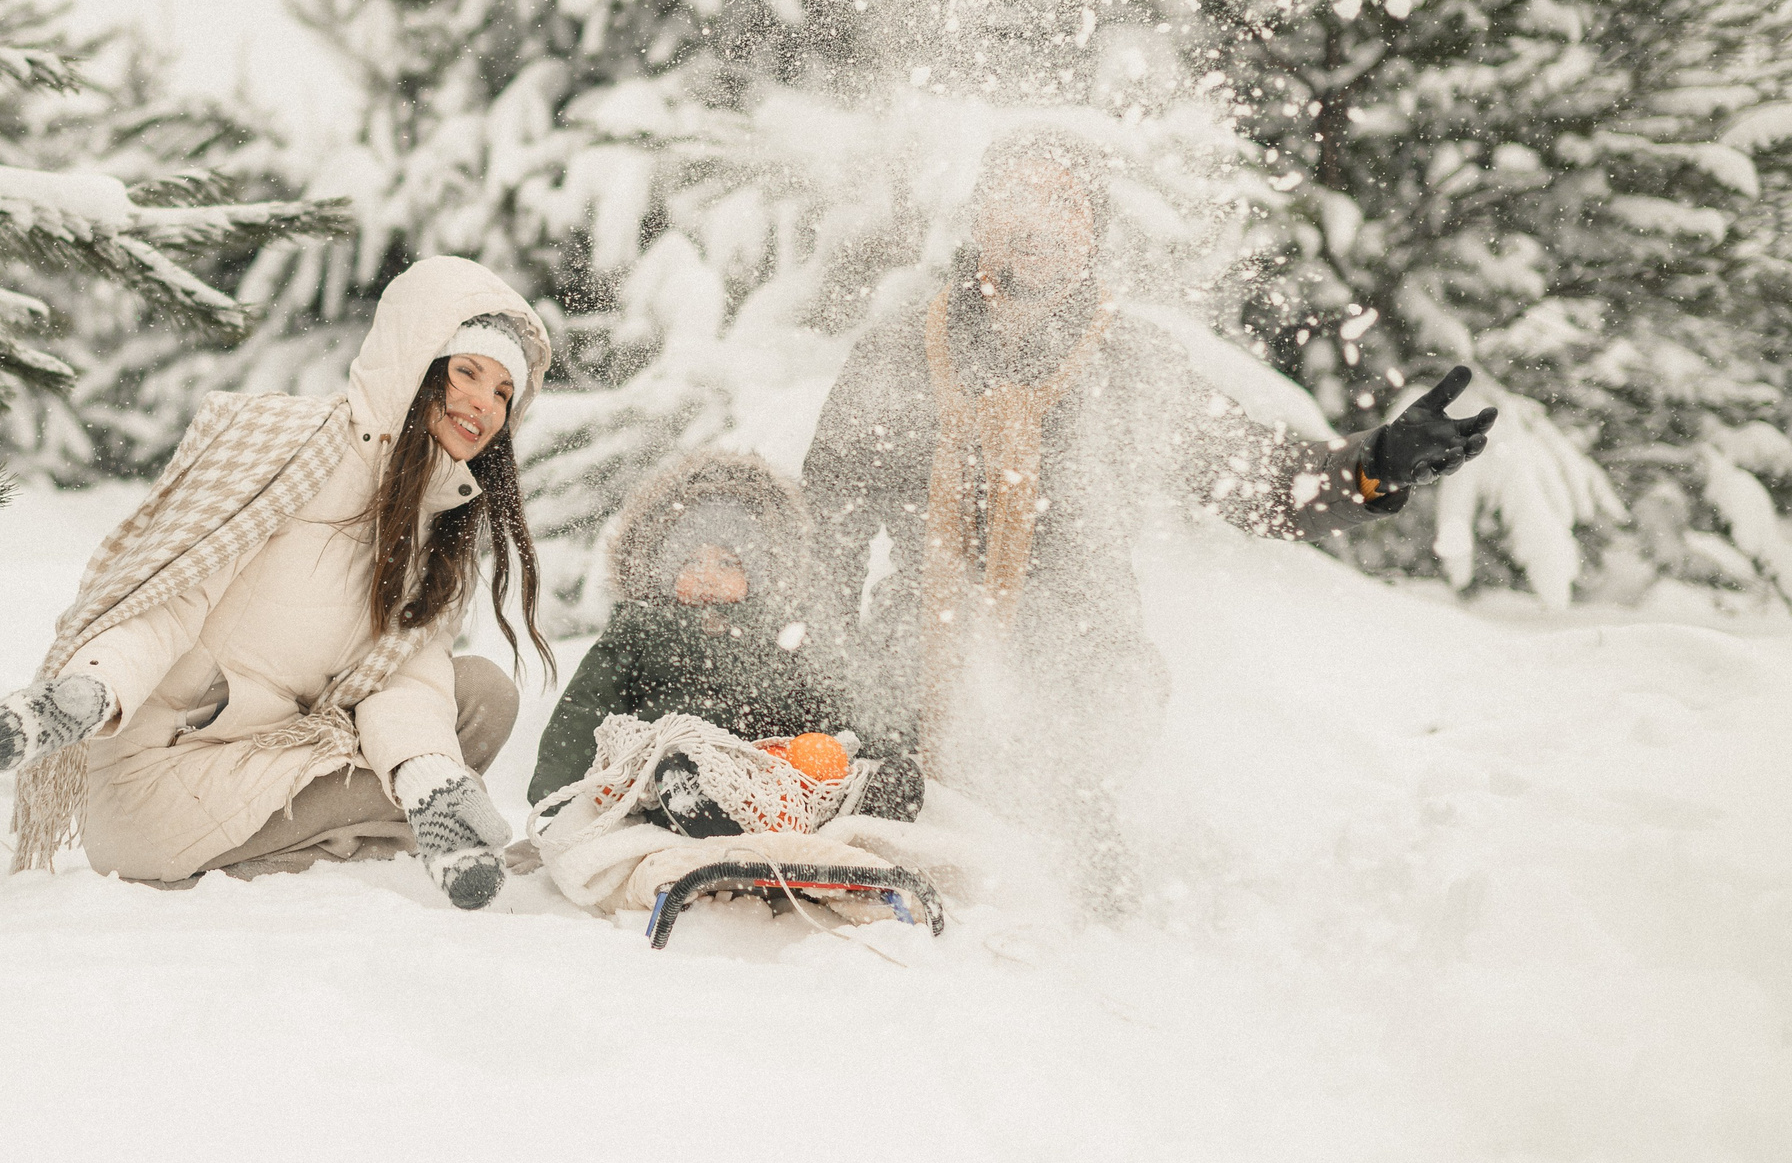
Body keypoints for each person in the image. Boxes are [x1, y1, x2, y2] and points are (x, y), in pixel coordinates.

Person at [803, 128, 1493, 908]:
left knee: (1063, 900)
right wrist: (834, 693)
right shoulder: (899, 353)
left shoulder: (1130, 366)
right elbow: (827, 537)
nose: (1037, 220)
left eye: (1063, 202)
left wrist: (1377, 464)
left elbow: (1261, 478)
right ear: (979, 220)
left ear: (1090, 234)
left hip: (1083, 685)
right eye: (1017, 197)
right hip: (917, 682)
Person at [0, 255, 555, 911]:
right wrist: (90, 693)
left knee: (478, 697)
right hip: (162, 776)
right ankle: (371, 839)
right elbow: (171, 595)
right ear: (414, 363)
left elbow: (404, 683)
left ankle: (372, 832)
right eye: (467, 371)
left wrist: (429, 781)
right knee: (425, 783)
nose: (483, 402)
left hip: (278, 751)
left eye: (505, 391)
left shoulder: (438, 521)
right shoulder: (295, 448)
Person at [527, 450, 923, 831]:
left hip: (767, 776)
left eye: (727, 563)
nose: (706, 576)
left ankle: (861, 804)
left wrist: (883, 750)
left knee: (820, 762)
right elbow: (587, 707)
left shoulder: (780, 635)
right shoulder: (641, 630)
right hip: (669, 771)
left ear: (761, 572)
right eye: (691, 562)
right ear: (662, 570)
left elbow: (831, 699)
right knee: (673, 772)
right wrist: (558, 795)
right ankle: (695, 810)